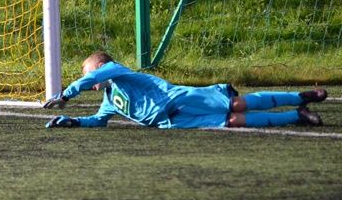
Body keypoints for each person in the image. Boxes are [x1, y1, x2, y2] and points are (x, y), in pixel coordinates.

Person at [43, 51, 327, 129]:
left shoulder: (117, 71)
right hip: (172, 122)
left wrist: (66, 94)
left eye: (89, 73)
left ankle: (300, 97)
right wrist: (73, 121)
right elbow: (99, 121)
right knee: (232, 121)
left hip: (176, 98)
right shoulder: (110, 99)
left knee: (236, 104)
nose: (90, 81)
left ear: (101, 66)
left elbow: (88, 80)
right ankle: (297, 116)